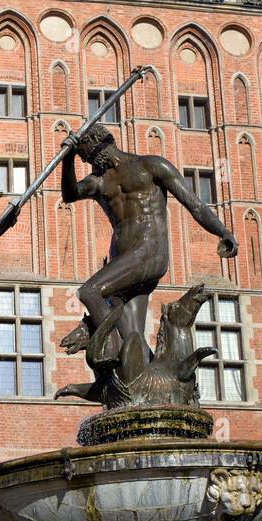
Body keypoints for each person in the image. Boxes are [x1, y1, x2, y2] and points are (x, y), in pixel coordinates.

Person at [54, 124, 237, 403]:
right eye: (83, 159)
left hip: (149, 252)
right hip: (123, 260)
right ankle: (157, 391)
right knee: (133, 340)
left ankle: (108, 349)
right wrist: (67, 158)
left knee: (89, 291)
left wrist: (222, 231)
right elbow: (69, 194)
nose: (89, 162)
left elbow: (194, 204)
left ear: (100, 144)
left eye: (86, 156)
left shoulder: (150, 166)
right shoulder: (99, 182)